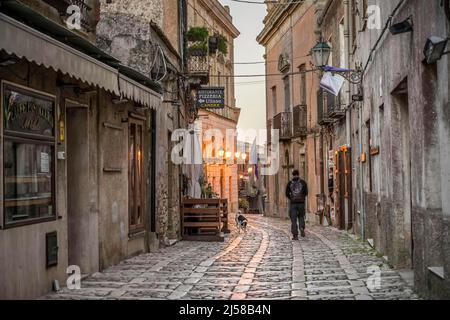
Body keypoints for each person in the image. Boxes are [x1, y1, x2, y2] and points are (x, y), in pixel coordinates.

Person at [286, 170, 308, 240]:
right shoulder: (303, 182)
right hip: (301, 203)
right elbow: (306, 192)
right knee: (301, 216)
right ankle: (301, 227)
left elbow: (286, 193)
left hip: (293, 204)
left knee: (293, 219)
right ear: (298, 174)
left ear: (292, 175)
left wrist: (291, 198)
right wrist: (302, 198)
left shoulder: (290, 183)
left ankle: (295, 235)